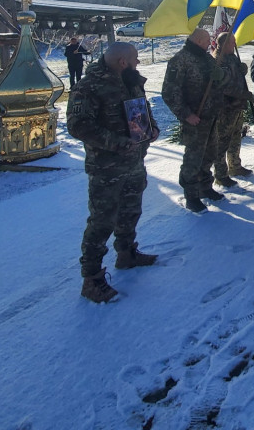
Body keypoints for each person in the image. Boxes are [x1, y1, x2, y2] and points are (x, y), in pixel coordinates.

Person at [67, 42, 159, 303]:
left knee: (131, 210)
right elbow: (78, 125)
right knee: (102, 221)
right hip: (107, 167)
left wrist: (152, 128)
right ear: (122, 61)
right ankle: (92, 278)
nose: (138, 63)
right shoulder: (89, 87)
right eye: (135, 59)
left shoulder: (130, 80)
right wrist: (116, 143)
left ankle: (127, 253)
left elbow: (143, 108)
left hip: (134, 162)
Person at [162, 28, 226, 213]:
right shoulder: (180, 61)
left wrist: (221, 77)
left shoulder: (205, 58)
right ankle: (191, 195)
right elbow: (169, 92)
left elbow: (218, 78)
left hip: (211, 116)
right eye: (207, 40)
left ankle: (206, 187)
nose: (210, 43)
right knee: (193, 158)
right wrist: (185, 114)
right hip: (194, 118)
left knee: (209, 154)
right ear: (198, 40)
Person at [208, 32, 253, 188]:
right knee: (222, 141)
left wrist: (242, 70)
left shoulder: (232, 57)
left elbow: (236, 76)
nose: (234, 45)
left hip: (236, 107)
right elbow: (222, 86)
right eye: (231, 42)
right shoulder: (217, 60)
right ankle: (220, 174)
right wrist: (242, 94)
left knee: (235, 137)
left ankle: (235, 165)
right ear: (223, 44)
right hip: (225, 108)